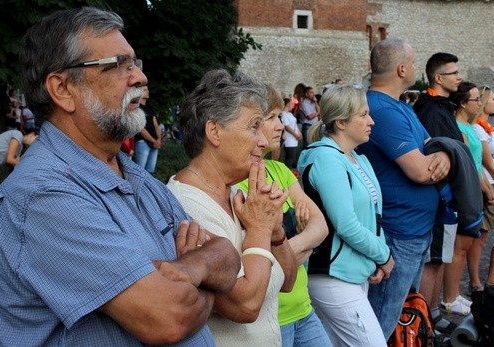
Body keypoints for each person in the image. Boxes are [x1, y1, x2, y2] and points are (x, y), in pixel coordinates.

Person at [0, 7, 241, 346]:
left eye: (135, 63)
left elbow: (226, 256)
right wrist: (205, 279)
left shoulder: (135, 175)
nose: (139, 77)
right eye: (118, 65)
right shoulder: (43, 195)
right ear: (62, 89)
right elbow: (169, 318)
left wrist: (188, 270)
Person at [167, 69, 297, 347]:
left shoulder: (238, 194)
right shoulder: (185, 205)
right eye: (253, 127)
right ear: (214, 131)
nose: (263, 141)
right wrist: (260, 228)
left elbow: (287, 282)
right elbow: (245, 306)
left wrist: (275, 231)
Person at [356, 37, 450, 340]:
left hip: (414, 229)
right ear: (401, 69)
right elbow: (421, 170)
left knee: (403, 314)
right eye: (411, 62)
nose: (413, 67)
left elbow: (429, 146)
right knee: (381, 323)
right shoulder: (382, 110)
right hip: (399, 233)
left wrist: (445, 153)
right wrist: (440, 159)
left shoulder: (400, 106)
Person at [298, 83, 394, 346]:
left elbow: (374, 216)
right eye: (363, 115)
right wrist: (383, 256)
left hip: (353, 272)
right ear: (341, 122)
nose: (371, 121)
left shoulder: (358, 158)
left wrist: (375, 258)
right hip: (332, 275)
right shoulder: (326, 159)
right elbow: (347, 224)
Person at [237, 84, 331, 346]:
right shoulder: (236, 184)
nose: (280, 125)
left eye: (280, 117)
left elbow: (320, 225)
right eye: (271, 118)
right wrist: (304, 246)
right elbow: (249, 261)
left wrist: (284, 251)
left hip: (302, 306)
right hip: (272, 316)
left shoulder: (278, 170)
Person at [412, 52, 463, 332]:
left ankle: (431, 314)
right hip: (439, 197)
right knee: (433, 259)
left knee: (440, 256)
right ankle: (427, 317)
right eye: (453, 73)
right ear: (438, 78)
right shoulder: (433, 110)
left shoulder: (441, 106)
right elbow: (438, 155)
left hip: (445, 198)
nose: (459, 77)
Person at [441, 82, 494, 316]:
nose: (479, 104)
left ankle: (454, 294)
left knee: (466, 245)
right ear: (463, 103)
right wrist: (485, 187)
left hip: (475, 188)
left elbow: (478, 162)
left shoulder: (470, 127)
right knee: (459, 248)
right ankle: (449, 297)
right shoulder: (459, 127)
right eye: (475, 100)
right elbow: (469, 163)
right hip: (468, 190)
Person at [470, 85, 494, 292]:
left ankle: (492, 279)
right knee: (481, 238)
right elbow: (486, 163)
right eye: (493, 99)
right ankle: (475, 282)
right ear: (482, 102)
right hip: (490, 185)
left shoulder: (487, 127)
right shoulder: (477, 129)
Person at [0, 128, 38, 246]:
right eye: (36, 139)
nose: (34, 143)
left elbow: (15, 167)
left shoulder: (20, 148)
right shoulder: (17, 135)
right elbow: (10, 159)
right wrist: (28, 165)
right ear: (32, 133)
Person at [133, 85, 161, 174]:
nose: (148, 91)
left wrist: (159, 139)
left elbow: (156, 125)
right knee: (140, 171)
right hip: (142, 142)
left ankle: (148, 188)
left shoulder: (149, 107)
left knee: (150, 171)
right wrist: (154, 141)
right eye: (145, 90)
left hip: (154, 143)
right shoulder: (136, 108)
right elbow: (141, 129)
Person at [281, 97, 302, 169]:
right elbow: (286, 126)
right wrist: (295, 134)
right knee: (290, 157)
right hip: (289, 138)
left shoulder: (290, 114)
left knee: (292, 157)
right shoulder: (283, 114)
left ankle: (289, 172)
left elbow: (295, 125)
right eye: (291, 104)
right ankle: (287, 172)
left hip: (294, 138)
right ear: (287, 104)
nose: (293, 105)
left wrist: (299, 133)